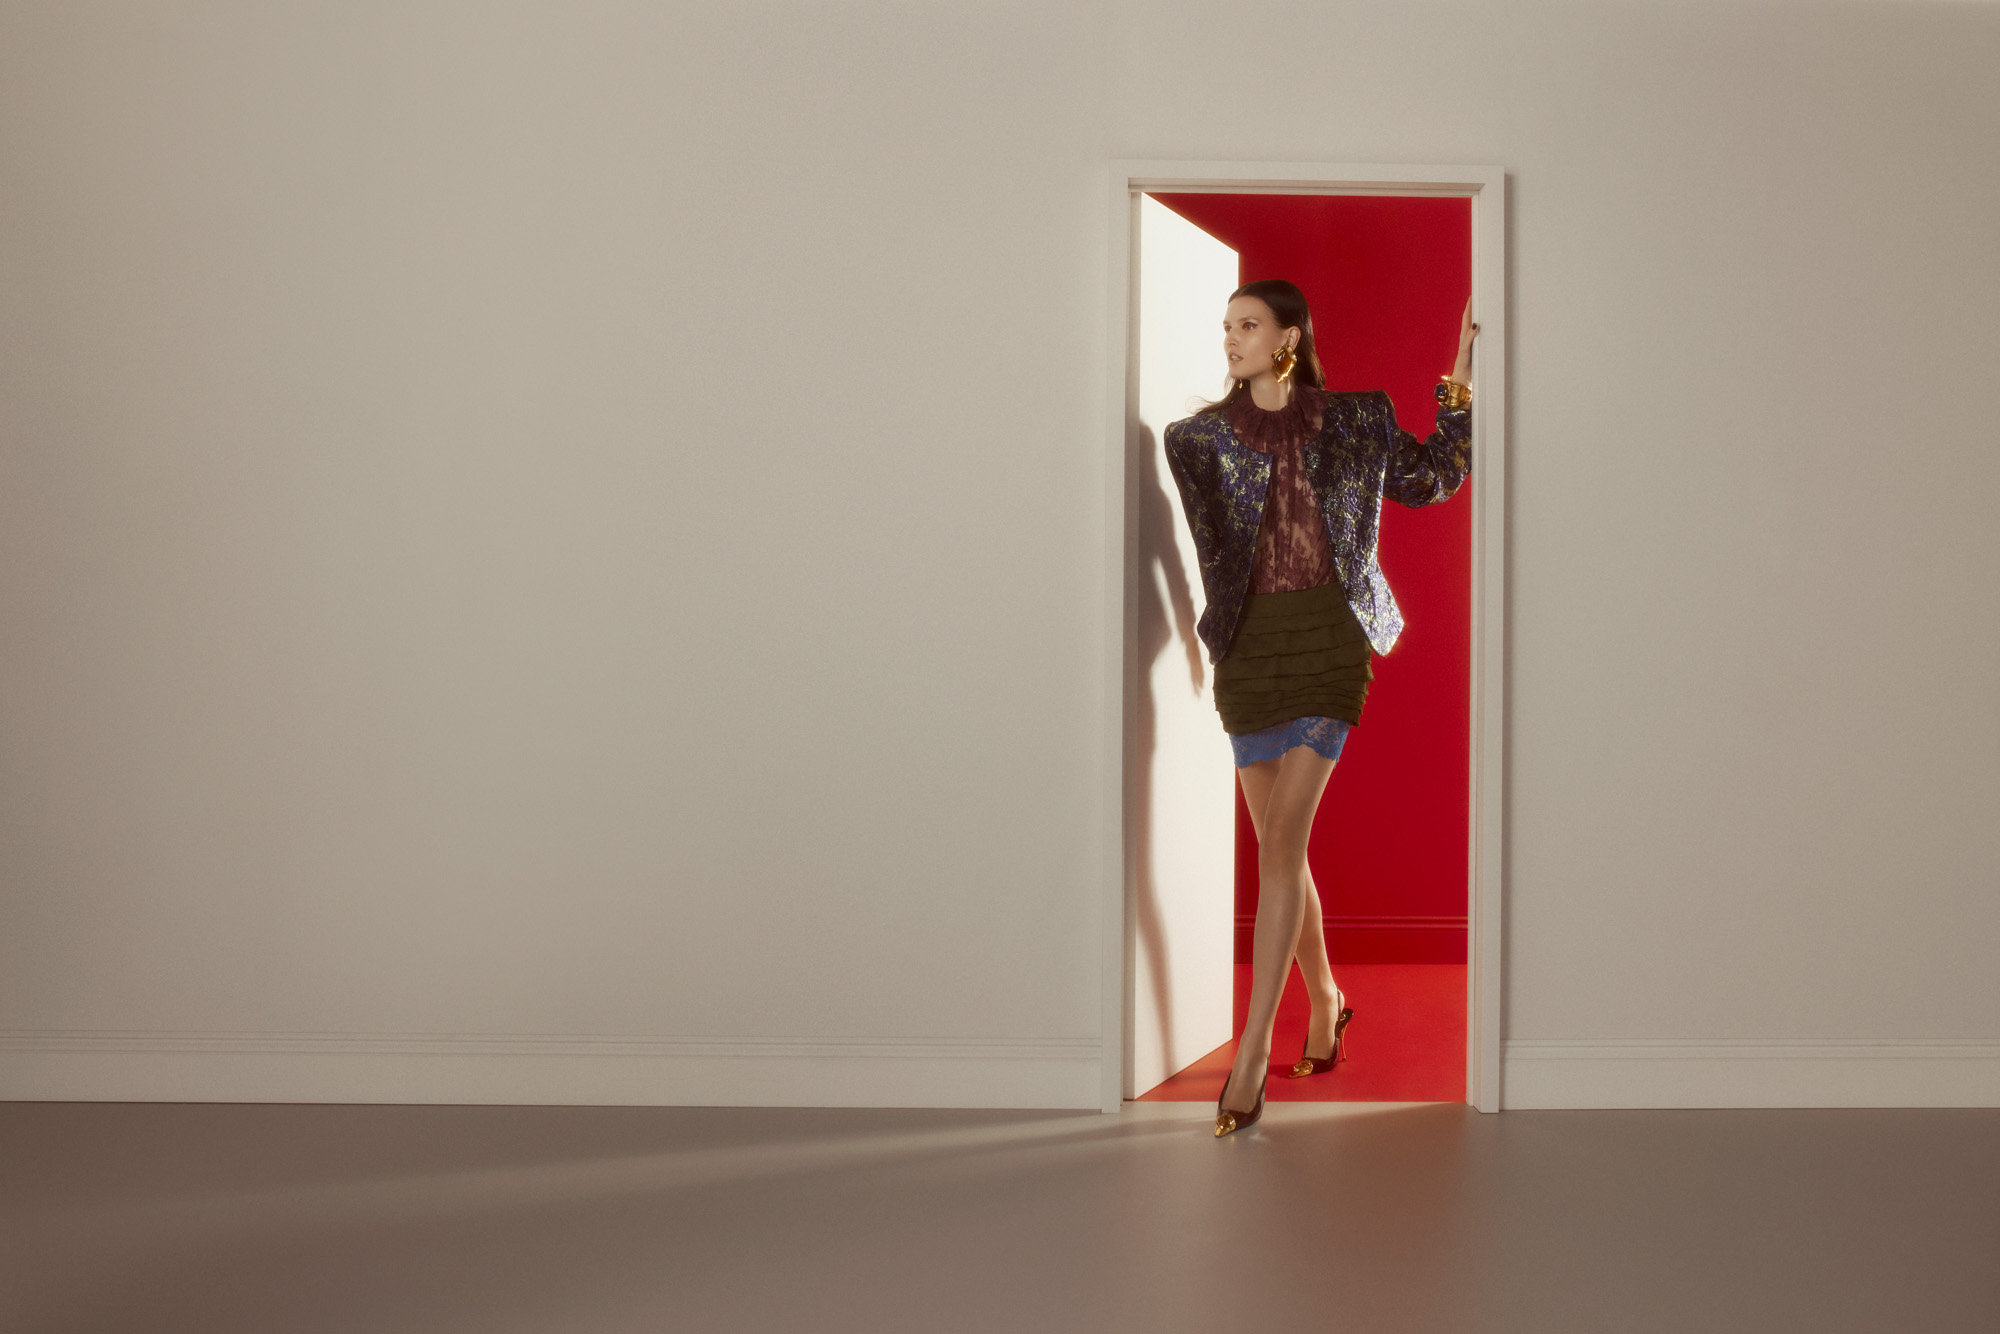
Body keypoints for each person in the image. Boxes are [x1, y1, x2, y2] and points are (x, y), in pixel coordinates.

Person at [1162, 278, 1476, 1137]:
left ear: (1288, 337)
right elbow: (1210, 556)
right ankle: (1329, 999)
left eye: (1248, 325)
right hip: (1250, 652)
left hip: (1332, 641)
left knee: (1281, 844)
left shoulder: (1358, 418)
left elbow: (1432, 478)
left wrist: (1458, 385)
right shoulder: (1194, 440)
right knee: (1281, 850)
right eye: (1227, 326)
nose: (1232, 339)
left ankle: (1251, 1052)